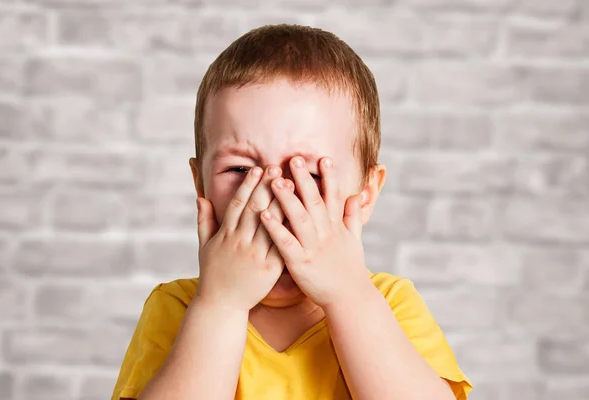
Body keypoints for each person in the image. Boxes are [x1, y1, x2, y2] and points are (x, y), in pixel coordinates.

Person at [111, 24, 473, 400]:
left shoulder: (389, 304)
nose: (272, 197)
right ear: (200, 185)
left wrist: (349, 296)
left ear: (365, 195)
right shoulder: (180, 308)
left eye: (310, 173)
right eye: (239, 170)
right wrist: (221, 304)